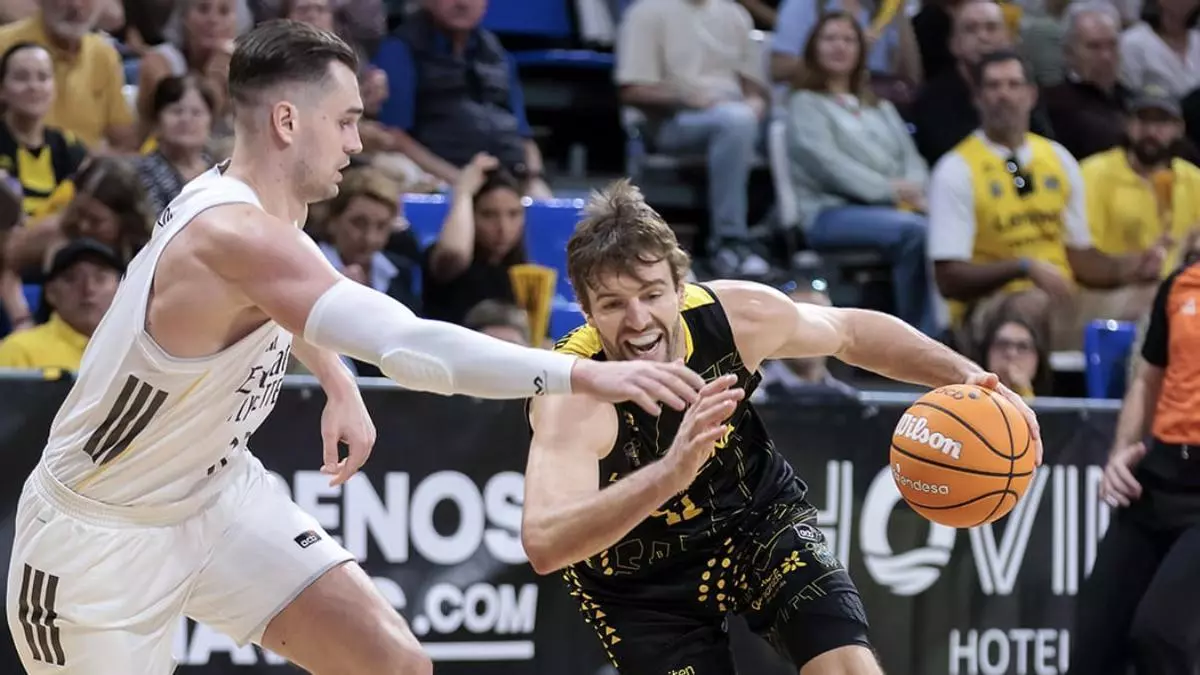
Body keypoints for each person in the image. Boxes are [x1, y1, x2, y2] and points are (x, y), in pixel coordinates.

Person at [4, 21, 706, 675]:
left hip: (216, 497)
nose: (357, 143)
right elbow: (407, 346)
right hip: (99, 541)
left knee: (395, 664)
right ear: (288, 121)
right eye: (345, 121)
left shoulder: (254, 201)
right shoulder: (233, 234)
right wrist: (582, 375)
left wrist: (336, 380)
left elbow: (280, 297)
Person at [522, 179, 1043, 675]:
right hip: (639, 580)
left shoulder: (735, 316)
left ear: (680, 288)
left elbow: (851, 332)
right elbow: (544, 543)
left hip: (755, 521)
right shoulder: (573, 393)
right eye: (613, 304)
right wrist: (671, 472)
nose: (638, 320)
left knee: (846, 663)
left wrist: (967, 374)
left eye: (652, 294)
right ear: (586, 310)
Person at [1070, 243, 1200, 675]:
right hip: (1159, 476)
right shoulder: (1180, 284)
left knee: (1161, 635)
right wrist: (1121, 451)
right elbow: (1147, 379)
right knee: (1093, 643)